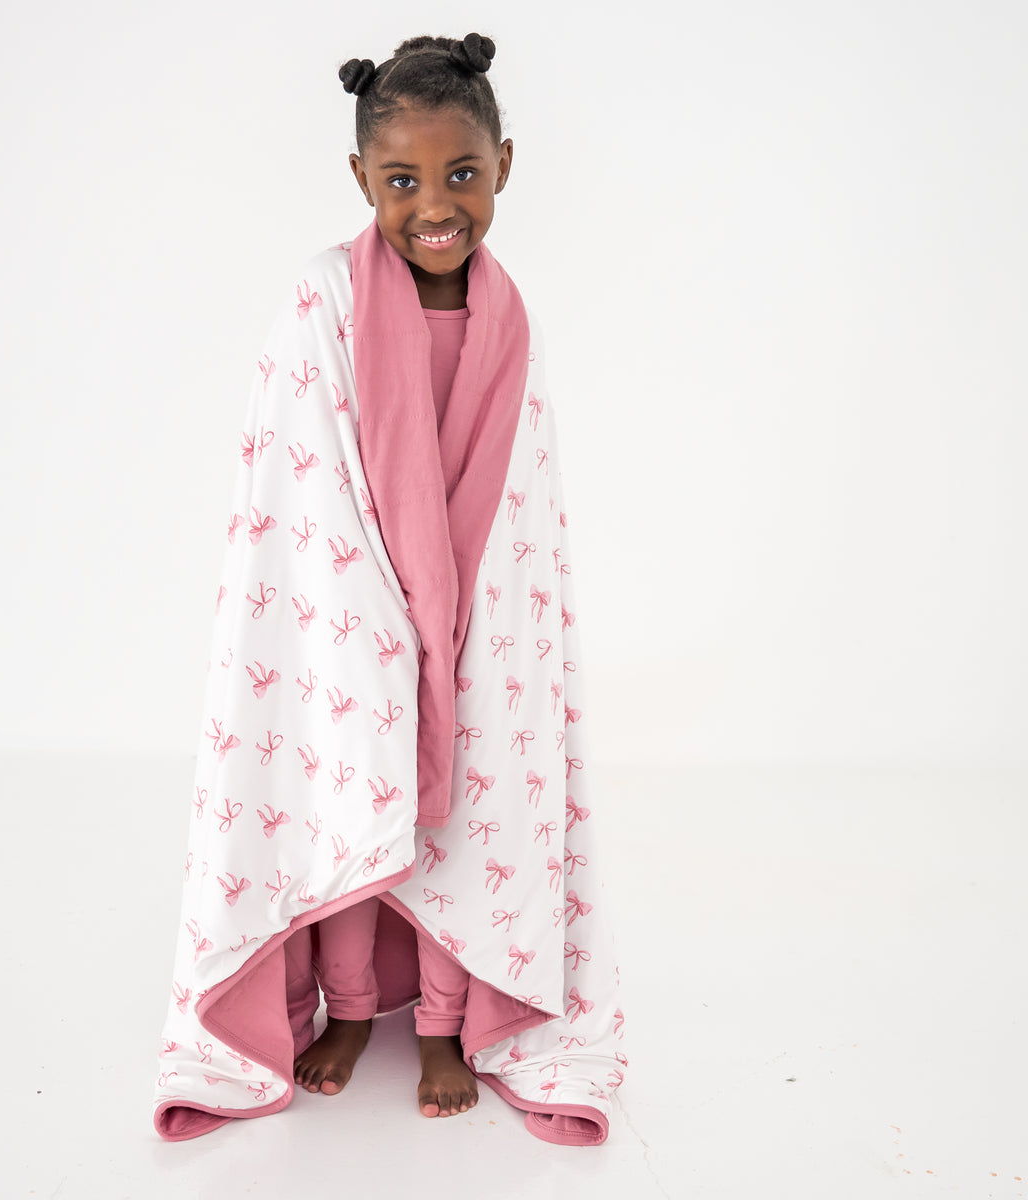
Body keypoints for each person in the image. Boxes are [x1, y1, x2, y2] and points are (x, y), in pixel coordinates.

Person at [152, 32, 626, 1147]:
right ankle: (354, 1006)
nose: (435, 204)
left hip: (477, 612)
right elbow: (293, 474)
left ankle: (447, 1022)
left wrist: (470, 624)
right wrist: (374, 620)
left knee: (479, 787)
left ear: (504, 165)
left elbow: (522, 510)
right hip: (353, 611)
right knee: (357, 777)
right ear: (362, 181)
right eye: (402, 180)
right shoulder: (325, 300)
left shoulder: (513, 322)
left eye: (461, 173)